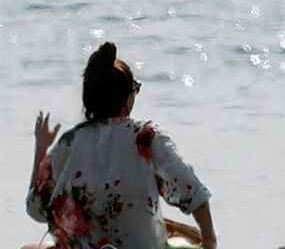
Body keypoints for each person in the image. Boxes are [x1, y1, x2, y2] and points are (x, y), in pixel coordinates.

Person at [25, 42, 217, 249]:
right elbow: (193, 192)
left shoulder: (69, 143)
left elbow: (36, 208)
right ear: (127, 99)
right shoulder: (146, 138)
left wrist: (40, 149)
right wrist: (209, 241)